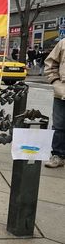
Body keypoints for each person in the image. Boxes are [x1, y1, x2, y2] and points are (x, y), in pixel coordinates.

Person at [43, 40, 65, 168]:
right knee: (59, 126)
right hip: (62, 92)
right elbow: (50, 64)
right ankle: (58, 155)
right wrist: (56, 83)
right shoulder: (63, 44)